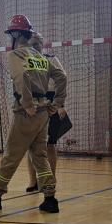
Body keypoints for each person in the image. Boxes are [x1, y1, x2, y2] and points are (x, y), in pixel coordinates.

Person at [0, 15, 67, 214]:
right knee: (39, 155)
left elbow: (20, 76)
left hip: (27, 113)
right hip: (43, 113)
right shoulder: (41, 57)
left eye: (11, 34)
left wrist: (27, 104)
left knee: (11, 155)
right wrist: (57, 102)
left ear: (17, 34)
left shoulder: (16, 55)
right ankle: (50, 198)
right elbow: (62, 76)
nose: (10, 38)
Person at [26, 33, 67, 192]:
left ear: (42, 44)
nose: (34, 47)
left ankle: (51, 179)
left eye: (37, 44)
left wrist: (60, 104)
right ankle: (33, 181)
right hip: (33, 102)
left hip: (51, 102)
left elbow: (61, 80)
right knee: (30, 145)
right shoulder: (25, 61)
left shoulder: (51, 59)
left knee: (50, 144)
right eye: (31, 44)